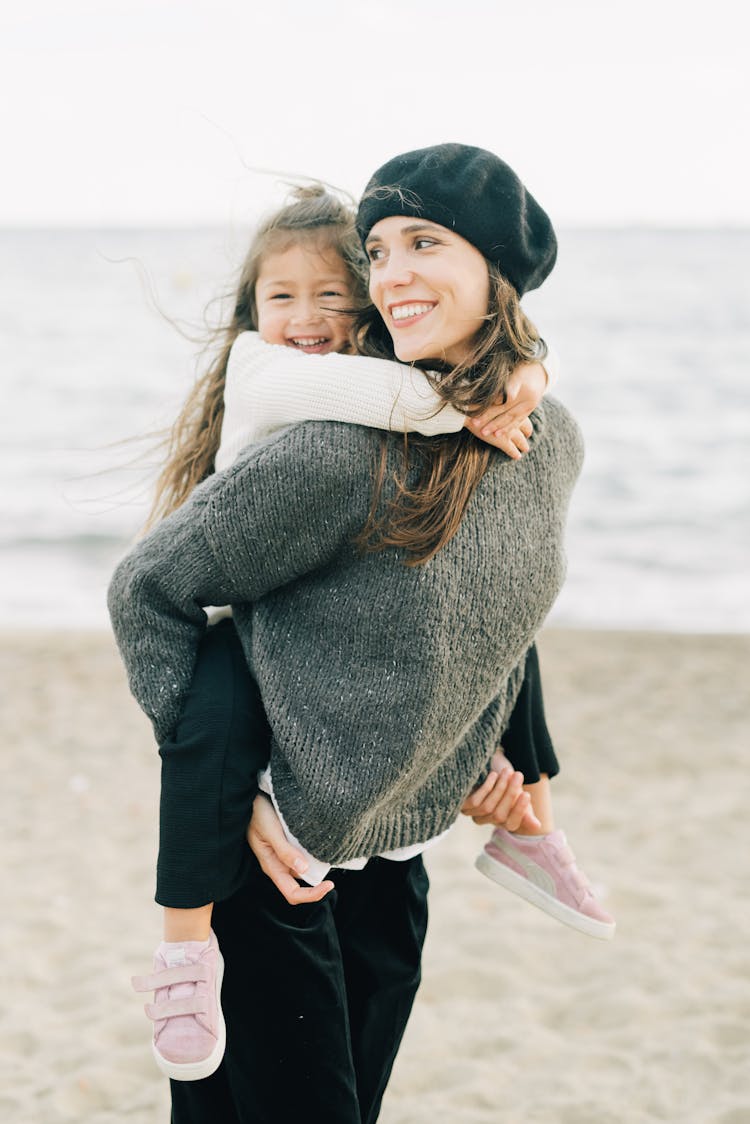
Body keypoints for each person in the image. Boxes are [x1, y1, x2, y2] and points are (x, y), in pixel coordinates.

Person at [110, 144, 601, 1123]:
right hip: (273, 866)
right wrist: (223, 798)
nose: (394, 271)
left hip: (394, 857)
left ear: (495, 268)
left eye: (423, 241)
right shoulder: (335, 456)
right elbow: (148, 592)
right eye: (379, 250)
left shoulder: (551, 442)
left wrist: (487, 754)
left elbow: (490, 614)